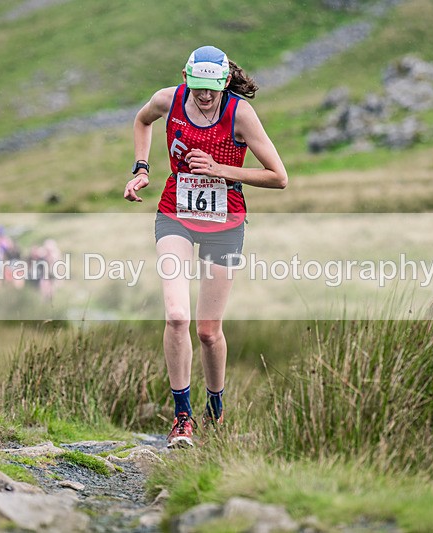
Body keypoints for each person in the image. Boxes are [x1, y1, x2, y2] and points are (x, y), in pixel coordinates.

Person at [124, 45, 288, 448]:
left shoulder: (240, 114)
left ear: (224, 82)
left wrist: (221, 169)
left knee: (208, 332)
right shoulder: (170, 99)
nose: (203, 95)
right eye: (196, 86)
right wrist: (142, 168)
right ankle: (183, 418)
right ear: (187, 78)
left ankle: (216, 410)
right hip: (174, 214)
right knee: (177, 316)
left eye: (210, 89)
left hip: (225, 222)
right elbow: (142, 121)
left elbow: (279, 176)